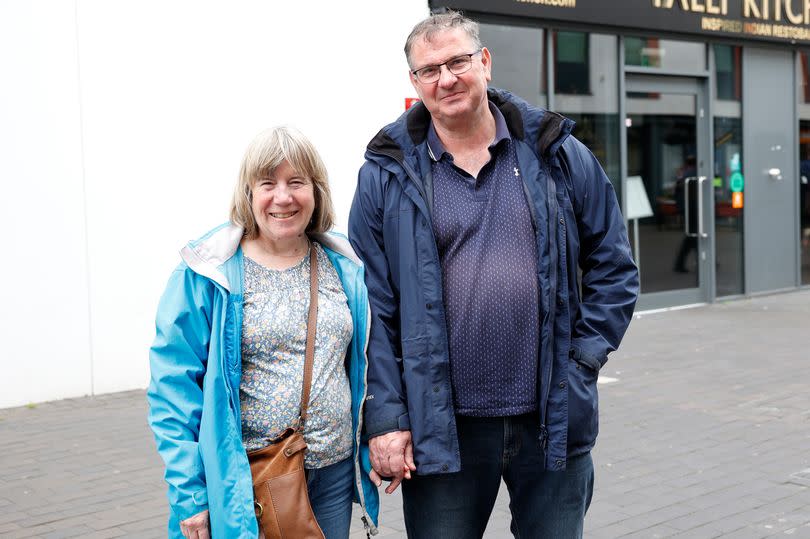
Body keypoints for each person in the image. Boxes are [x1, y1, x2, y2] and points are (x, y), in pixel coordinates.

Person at [348, 11, 638, 539]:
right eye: (429, 70)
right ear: (415, 82)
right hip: (442, 428)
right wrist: (387, 418)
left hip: (551, 416)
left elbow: (614, 267)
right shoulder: (386, 174)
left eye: (457, 61)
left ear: (484, 62)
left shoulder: (556, 152)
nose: (446, 78)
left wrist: (581, 361)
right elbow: (372, 308)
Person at [147, 126, 379, 538]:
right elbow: (173, 391)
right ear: (249, 193)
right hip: (250, 480)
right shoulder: (208, 273)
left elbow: (362, 366)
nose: (283, 197)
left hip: (333, 474)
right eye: (268, 183)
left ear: (316, 191)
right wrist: (191, 497)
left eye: (296, 183)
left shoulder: (342, 264)